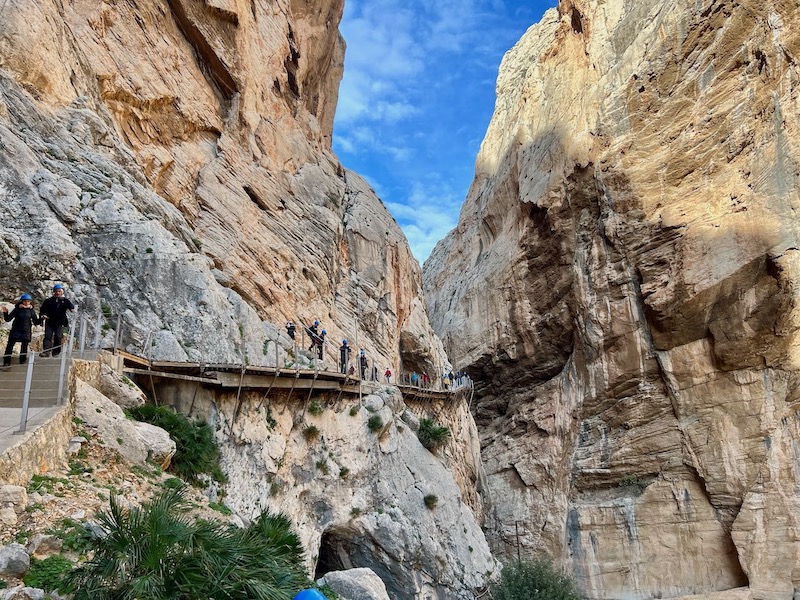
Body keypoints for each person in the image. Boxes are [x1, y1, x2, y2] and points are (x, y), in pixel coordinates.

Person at [2, 294, 41, 366]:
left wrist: (42, 318)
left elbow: (36, 322)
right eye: (25, 301)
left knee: (24, 346)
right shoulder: (17, 309)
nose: (26, 303)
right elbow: (8, 319)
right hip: (16, 329)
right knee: (10, 346)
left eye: (28, 301)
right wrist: (5, 313)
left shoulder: (31, 311)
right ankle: (6, 361)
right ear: (22, 301)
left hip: (26, 330)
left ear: (30, 302)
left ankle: (22, 361)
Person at [39, 284, 76, 357]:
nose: (58, 293)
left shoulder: (65, 301)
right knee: (47, 336)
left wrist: (73, 310)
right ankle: (46, 351)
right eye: (56, 291)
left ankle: (56, 352)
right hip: (49, 321)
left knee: (58, 336)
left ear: (62, 292)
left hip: (60, 322)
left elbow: (71, 307)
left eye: (59, 291)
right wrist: (43, 315)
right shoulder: (48, 301)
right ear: (54, 292)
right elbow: (42, 310)